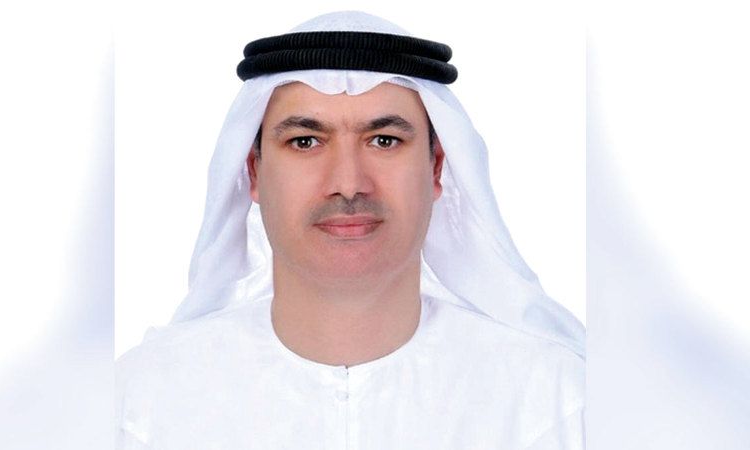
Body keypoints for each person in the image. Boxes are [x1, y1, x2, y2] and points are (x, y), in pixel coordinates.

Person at [117, 11, 585, 449]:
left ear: (436, 167)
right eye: (305, 141)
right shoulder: (140, 409)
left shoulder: (558, 403)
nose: (348, 183)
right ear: (254, 172)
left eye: (384, 140)